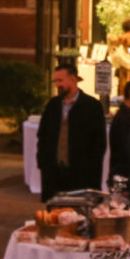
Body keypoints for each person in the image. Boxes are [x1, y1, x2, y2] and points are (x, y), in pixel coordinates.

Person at [38, 59, 107, 200]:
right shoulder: (53, 105)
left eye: (60, 81)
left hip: (81, 175)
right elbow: (43, 136)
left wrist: (90, 170)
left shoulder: (92, 106)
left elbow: (99, 143)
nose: (57, 85)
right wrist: (43, 164)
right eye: (55, 81)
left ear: (73, 79)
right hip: (55, 174)